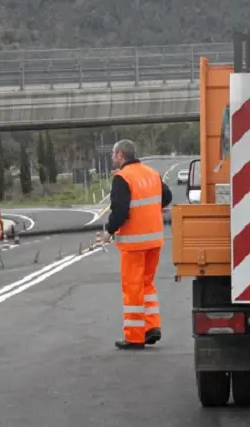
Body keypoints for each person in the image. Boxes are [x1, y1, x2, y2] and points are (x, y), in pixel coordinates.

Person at [102, 139, 172, 350]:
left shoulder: (122, 177)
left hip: (134, 243)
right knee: (147, 284)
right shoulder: (151, 173)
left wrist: (109, 230)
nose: (113, 158)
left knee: (133, 287)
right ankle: (151, 327)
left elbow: (121, 210)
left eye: (114, 155)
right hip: (154, 240)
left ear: (121, 156)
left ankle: (134, 336)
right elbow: (166, 196)